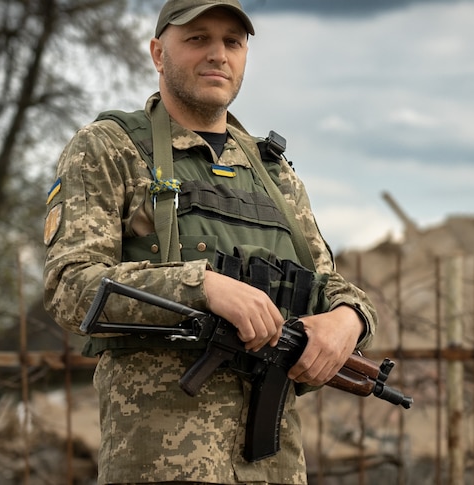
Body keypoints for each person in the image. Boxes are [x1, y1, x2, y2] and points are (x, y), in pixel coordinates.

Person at [43, 0, 378, 483]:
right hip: (162, 462)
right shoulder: (109, 148)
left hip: (275, 466)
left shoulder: (274, 173)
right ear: (159, 54)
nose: (218, 54)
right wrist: (201, 288)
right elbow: (69, 287)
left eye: (232, 42)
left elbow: (329, 281)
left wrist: (349, 319)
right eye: (197, 38)